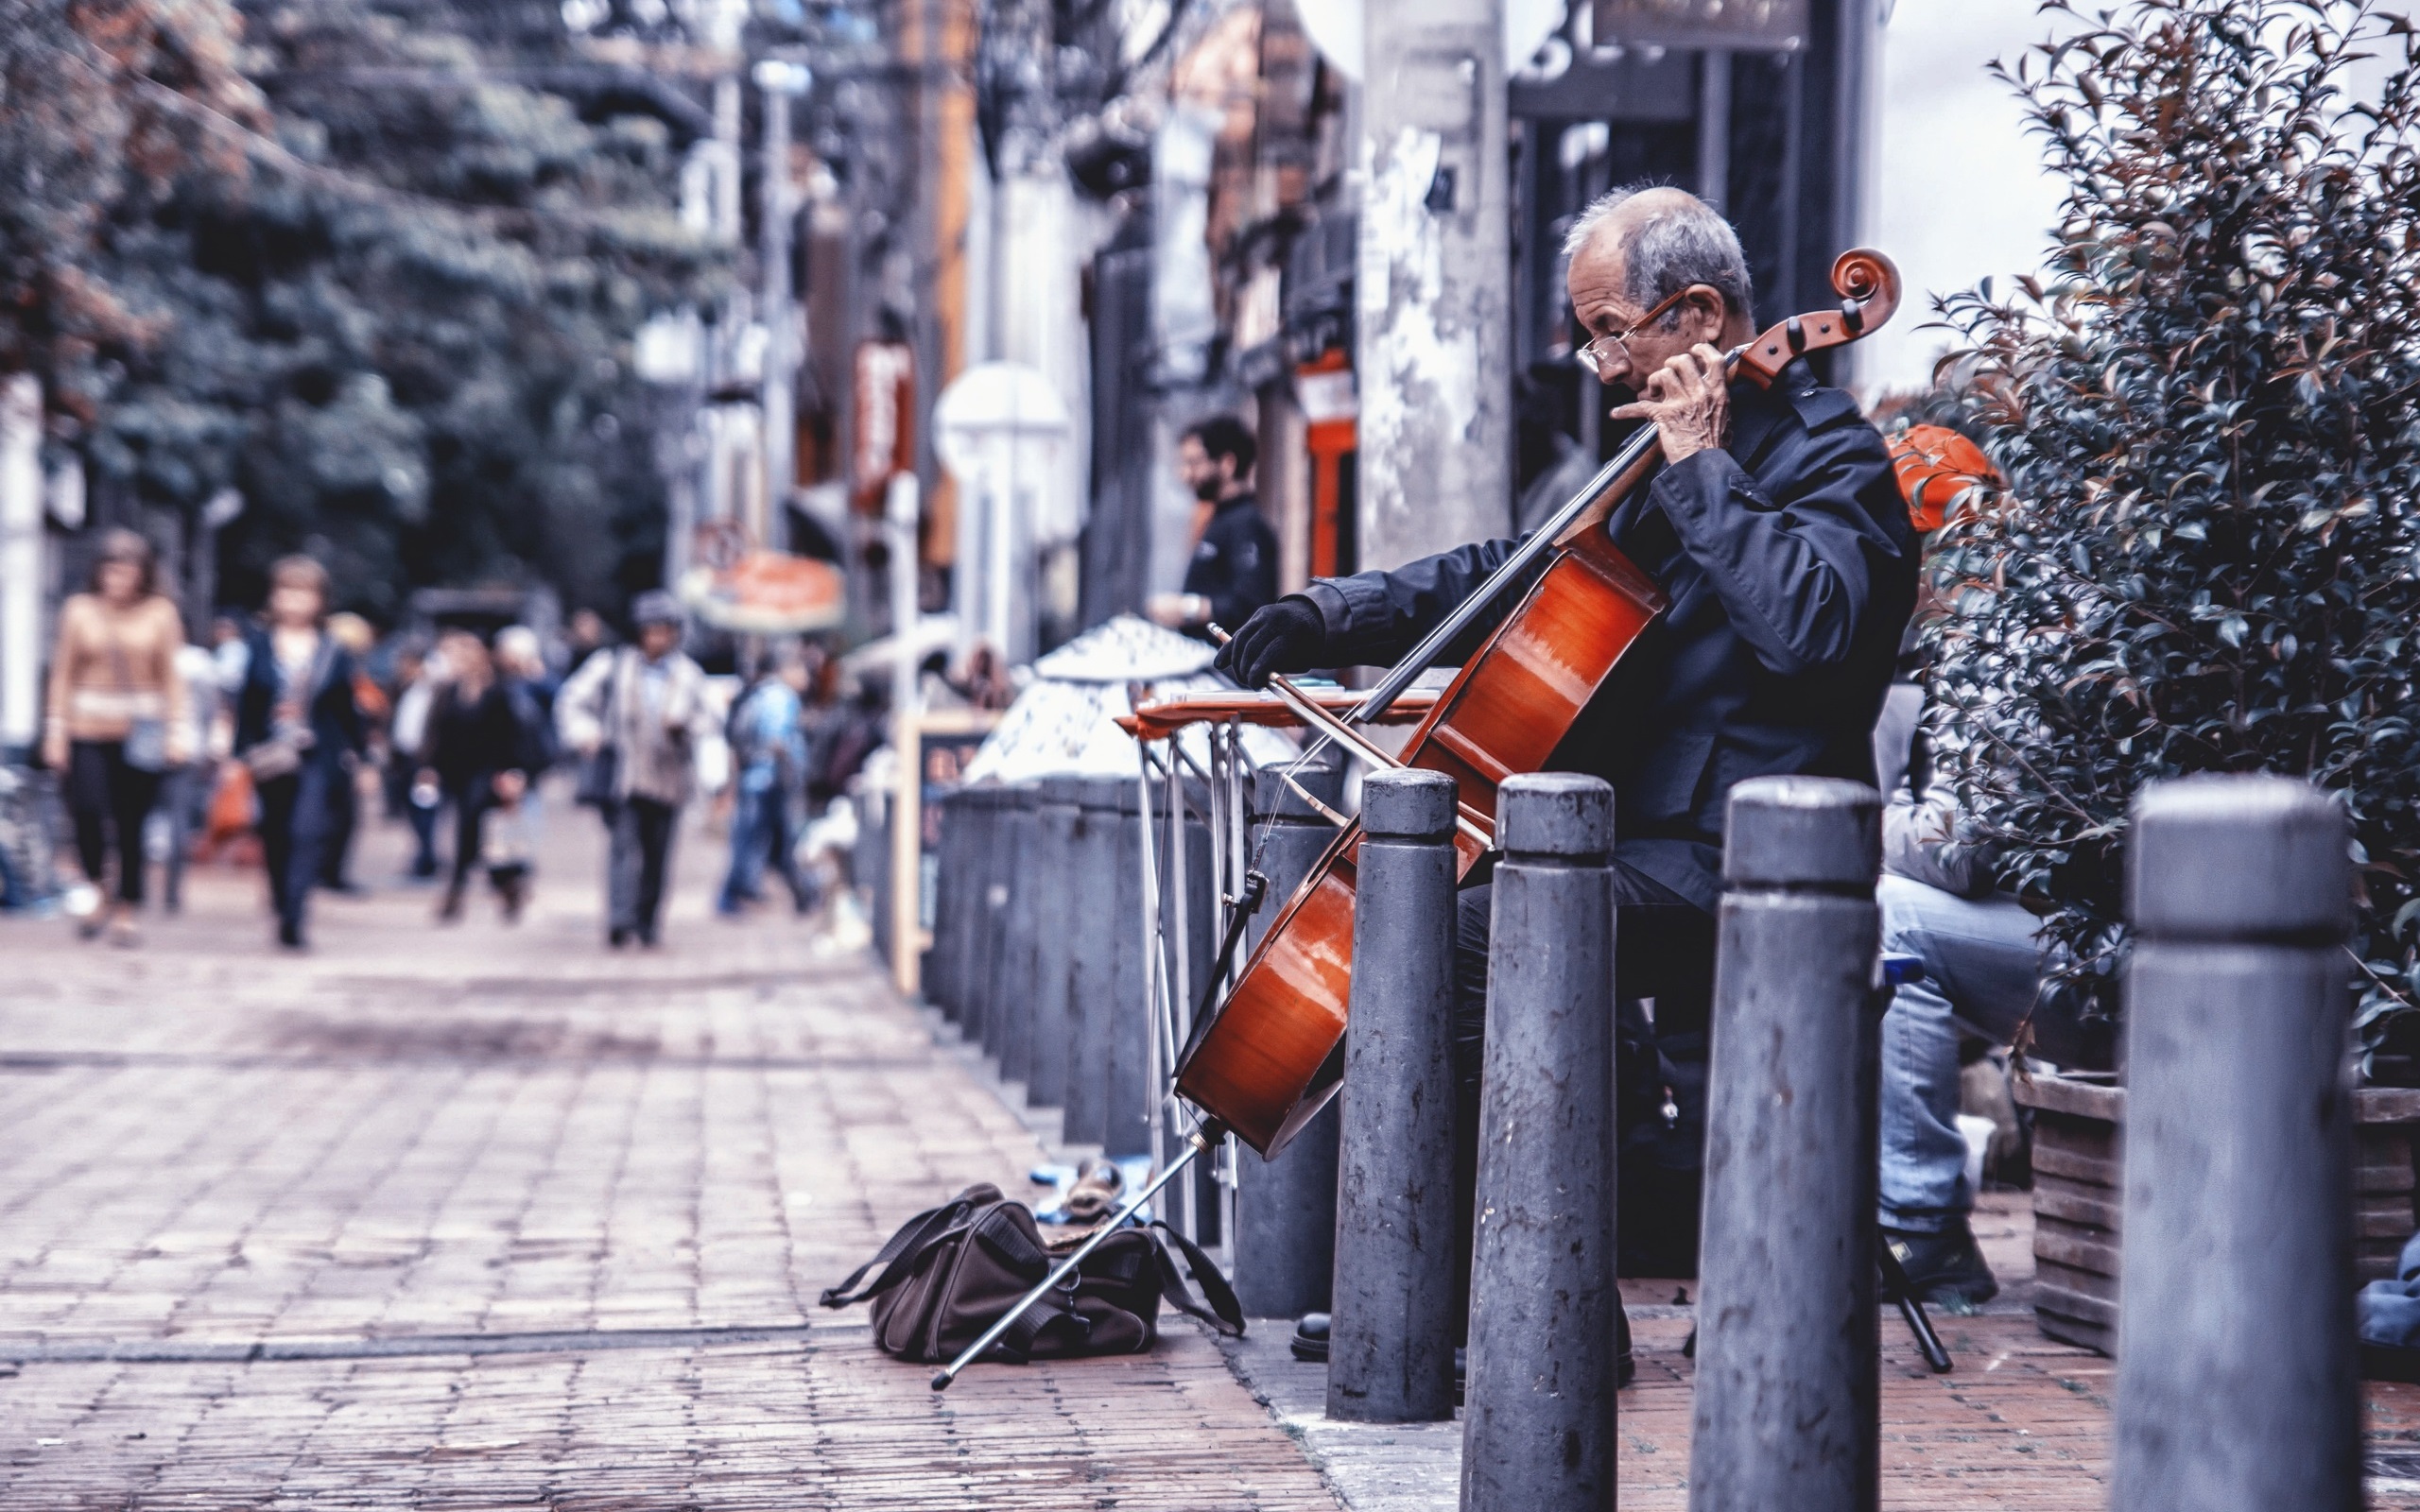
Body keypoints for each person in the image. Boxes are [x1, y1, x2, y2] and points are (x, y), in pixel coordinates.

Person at [1216, 185, 1917, 1282]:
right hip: (1631, 840)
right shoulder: (1656, 466)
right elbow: (1512, 574)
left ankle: (1524, 1301)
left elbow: (1809, 633)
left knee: (1461, 938)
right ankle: (1474, 1291)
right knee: (1427, 909)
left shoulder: (1829, 457)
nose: (1598, 367)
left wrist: (1700, 469)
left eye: (1607, 331)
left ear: (1694, 314)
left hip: (1747, 861)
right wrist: (1331, 611)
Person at [42, 528, 192, 945]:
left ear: (142, 574)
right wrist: (55, 731)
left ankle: (127, 906)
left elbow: (172, 679)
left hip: (140, 732)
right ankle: (97, 884)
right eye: (111, 570)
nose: (118, 580)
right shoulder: (80, 611)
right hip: (87, 726)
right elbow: (62, 673)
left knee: (131, 824)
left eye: (127, 572)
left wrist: (177, 732)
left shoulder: (160, 613)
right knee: (87, 811)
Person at [557, 591, 722, 948]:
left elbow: (710, 719)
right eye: (653, 630)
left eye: (666, 630)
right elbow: (572, 701)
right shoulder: (613, 666)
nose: (659, 638)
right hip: (626, 775)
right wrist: (586, 734)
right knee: (622, 847)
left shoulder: (688, 675)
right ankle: (620, 918)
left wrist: (685, 726)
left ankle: (648, 921)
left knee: (658, 854)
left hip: (670, 777)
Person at [233, 556, 363, 950]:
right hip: (270, 754)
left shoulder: (332, 650)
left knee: (306, 832)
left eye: (304, 593)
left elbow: (346, 707)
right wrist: (239, 754)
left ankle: (294, 914)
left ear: (320, 600)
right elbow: (247, 702)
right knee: (275, 833)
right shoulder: (258, 645)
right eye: (287, 592)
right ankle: (280, 897)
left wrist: (361, 755)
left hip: (316, 754)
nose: (294, 601)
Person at [418, 630, 544, 923]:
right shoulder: (447, 691)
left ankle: (456, 893)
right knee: (478, 838)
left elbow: (512, 736)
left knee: (473, 830)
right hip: (456, 773)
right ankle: (505, 886)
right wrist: (428, 768)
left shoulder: (498, 691)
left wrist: (514, 773)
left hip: (490, 773)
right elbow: (435, 733)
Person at [1148, 414, 1279, 637]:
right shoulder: (1219, 519)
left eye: (1194, 463)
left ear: (1228, 464)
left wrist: (1186, 608)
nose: (1185, 474)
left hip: (1226, 668)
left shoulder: (1246, 525)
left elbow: (1251, 606)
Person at [718, 644, 814, 917]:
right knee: (768, 843)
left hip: (757, 779)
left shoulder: (761, 694)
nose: (806, 678)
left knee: (757, 842)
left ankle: (798, 896)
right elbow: (777, 740)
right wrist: (788, 768)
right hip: (770, 781)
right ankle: (736, 895)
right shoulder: (782, 697)